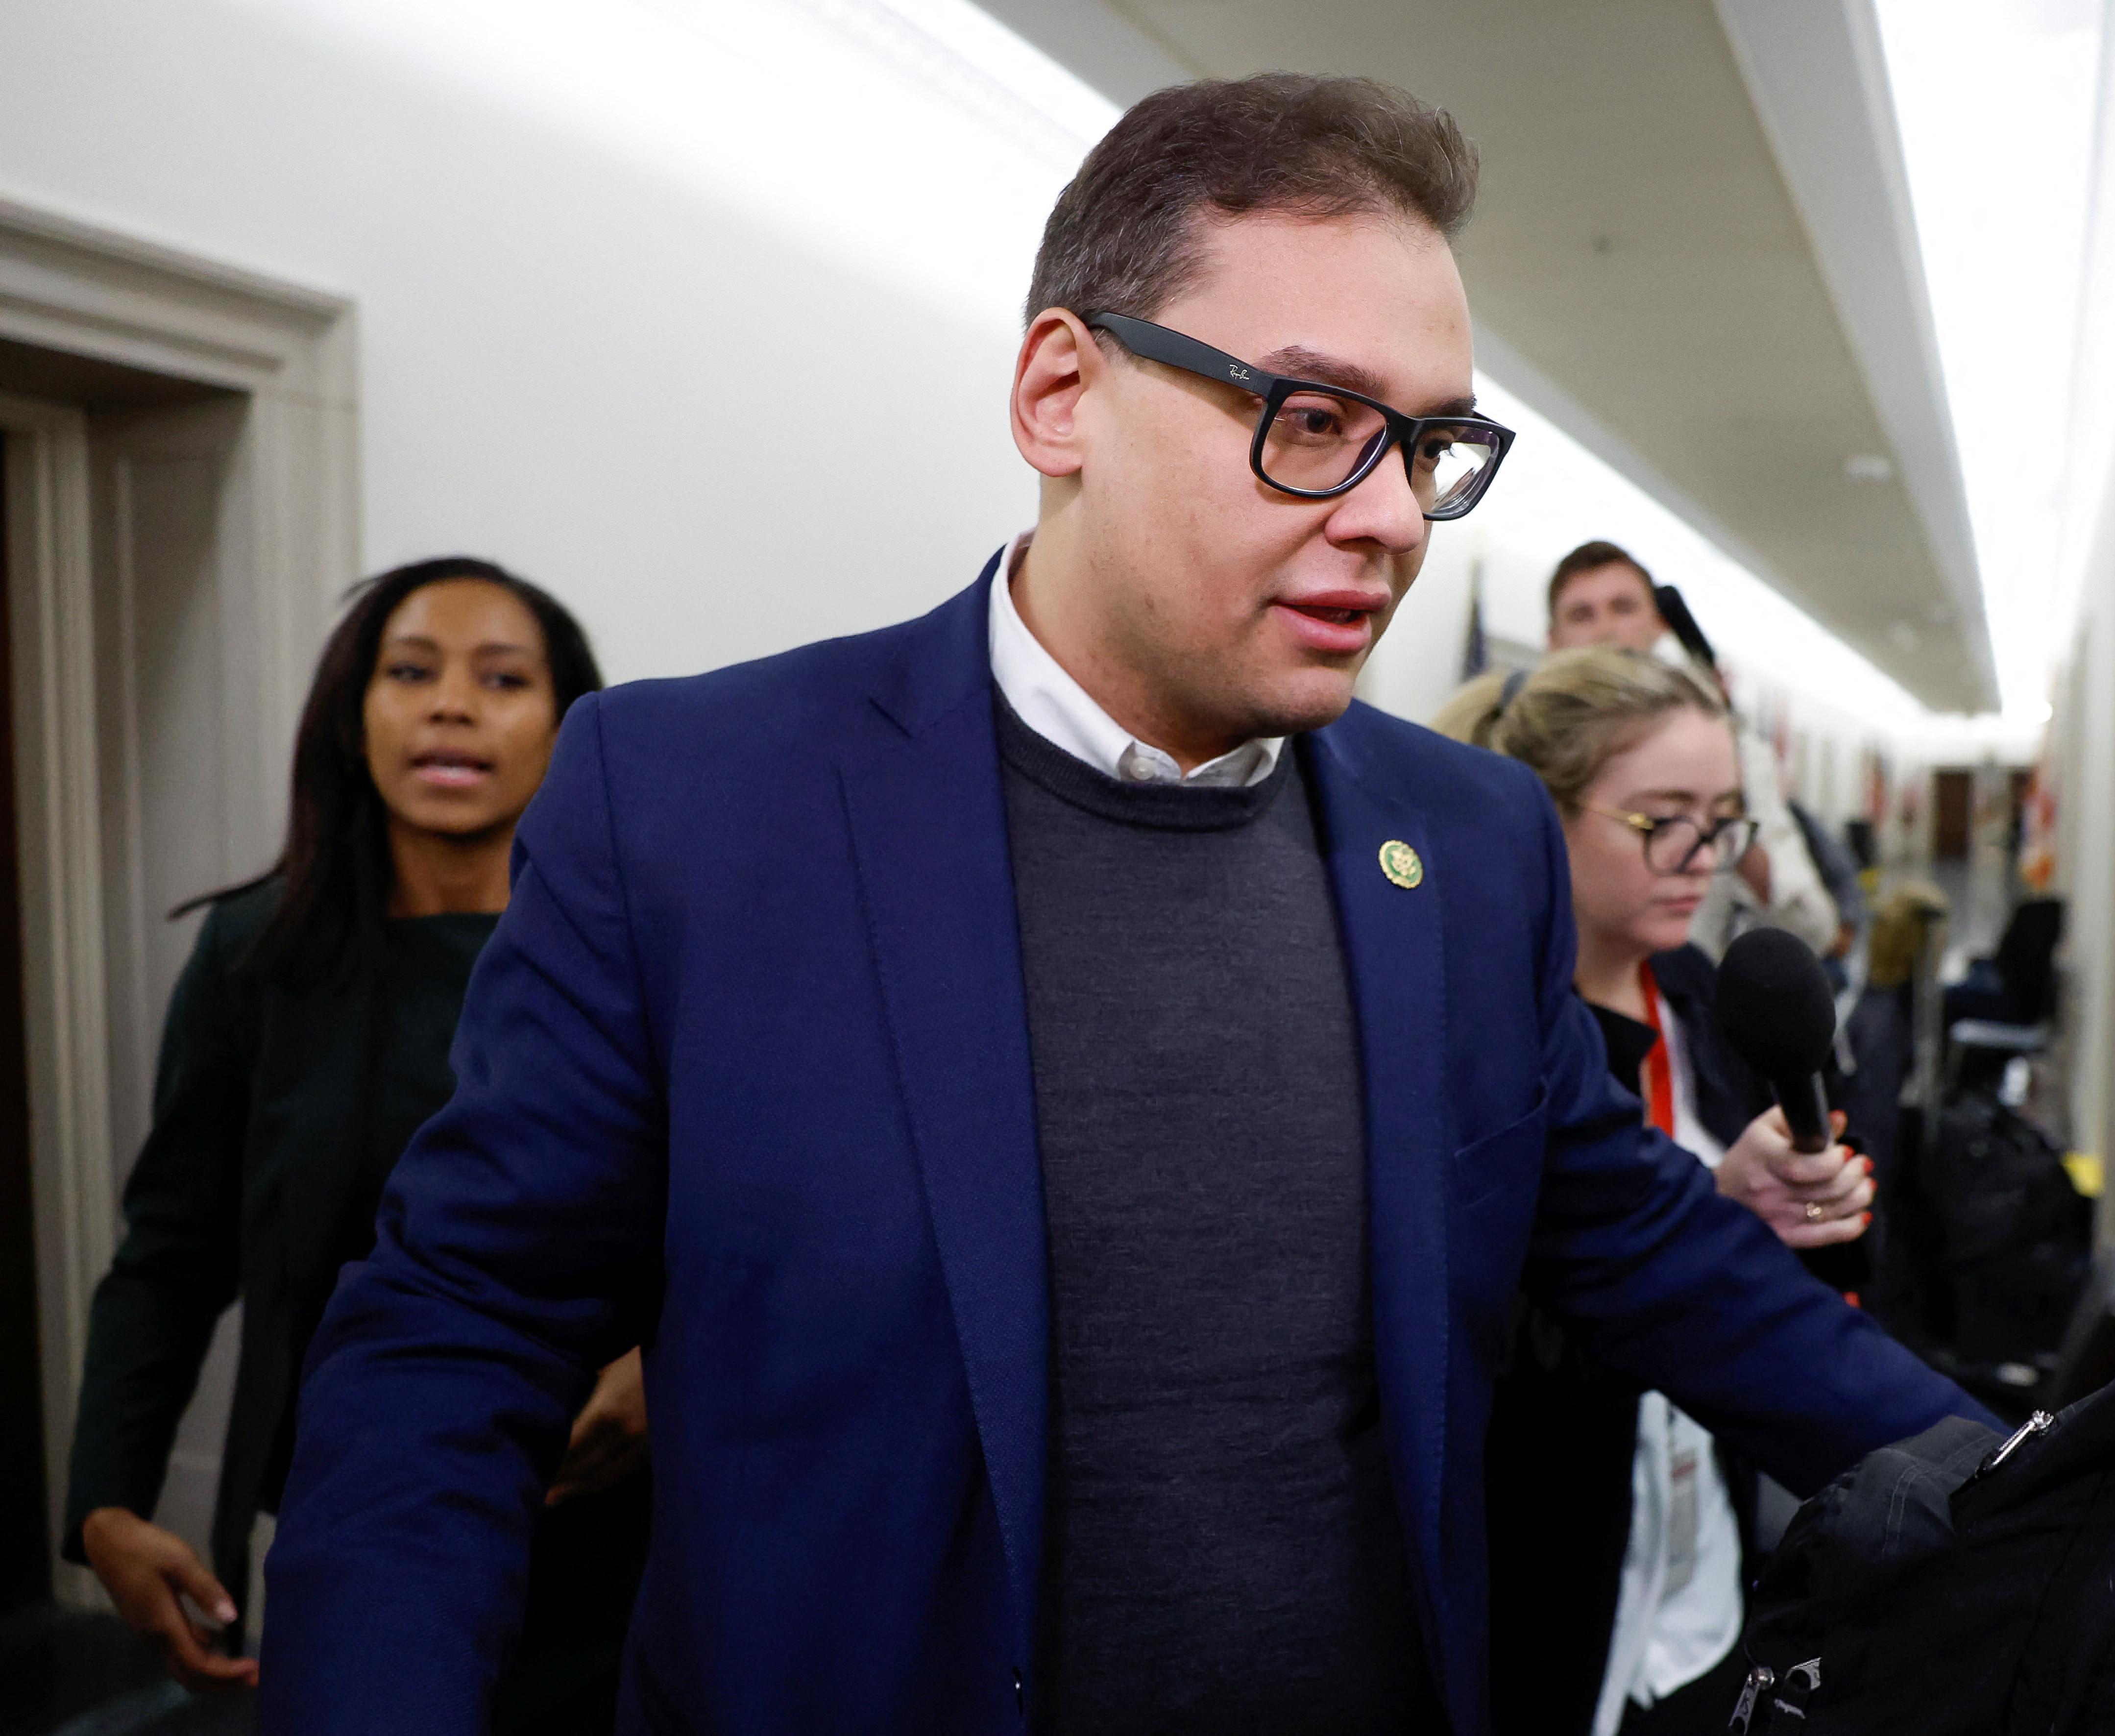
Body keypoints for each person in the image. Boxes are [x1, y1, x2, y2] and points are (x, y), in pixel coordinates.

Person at [262, 75, 1993, 1736]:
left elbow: (1631, 1238)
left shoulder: (1458, 842)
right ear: (1058, 396)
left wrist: (2041, 1479)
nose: (1392, 520)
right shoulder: (699, 803)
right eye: (1310, 422)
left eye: (1431, 446)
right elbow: (455, 1342)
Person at [63, 558, 645, 1732]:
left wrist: (653, 1378)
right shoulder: (255, 960)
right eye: (411, 672)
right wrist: (105, 1501)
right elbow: (170, 1253)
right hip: (346, 1523)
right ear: (354, 713)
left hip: (613, 1539)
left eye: (502, 678)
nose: (449, 705)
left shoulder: (641, 957)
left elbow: (737, 1234)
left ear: (568, 723)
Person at [1437, 651, 1874, 1736]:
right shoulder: (1475, 1041)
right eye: (1659, 819)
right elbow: (1499, 1341)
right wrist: (1704, 1215)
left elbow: (1776, 1300)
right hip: (1553, 1581)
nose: (1701, 857)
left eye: (1723, 820)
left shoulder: (1705, 994)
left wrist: (1802, 1206)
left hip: (1705, 1571)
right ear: (1540, 816)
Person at [1543, 542, 1838, 961]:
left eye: (1623, 608)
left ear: (1659, 625)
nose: (1605, 630)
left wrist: (1724, 825)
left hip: (1679, 1000)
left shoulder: (1733, 756)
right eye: (1582, 614)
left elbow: (1814, 928)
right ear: (1552, 640)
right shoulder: (1513, 750)